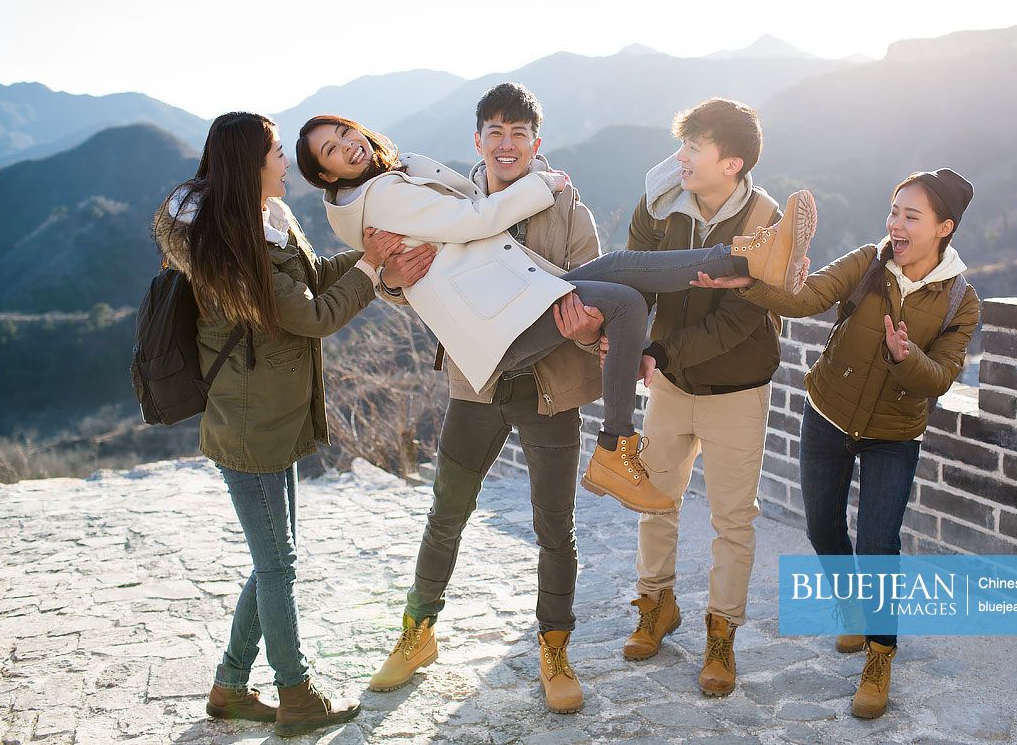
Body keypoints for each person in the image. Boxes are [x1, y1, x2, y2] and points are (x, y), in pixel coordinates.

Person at [294, 111, 816, 524]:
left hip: (511, 296)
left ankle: (616, 445)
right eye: (332, 150)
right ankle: (749, 262)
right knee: (624, 284)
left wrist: (387, 271)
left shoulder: (391, 178)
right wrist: (543, 186)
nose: (348, 145)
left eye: (345, 132)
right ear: (325, 173)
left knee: (624, 288)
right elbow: (474, 219)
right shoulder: (382, 195)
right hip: (499, 319)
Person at [352, 83, 605, 712]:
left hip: (549, 389)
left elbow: (594, 294)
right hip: (476, 385)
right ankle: (416, 634)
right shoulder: (450, 204)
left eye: (519, 132)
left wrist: (591, 323)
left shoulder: (568, 209)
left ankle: (554, 647)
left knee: (555, 527)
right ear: (477, 142)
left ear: (536, 144)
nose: (507, 143)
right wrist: (387, 279)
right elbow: (411, 280)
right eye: (495, 131)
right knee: (447, 513)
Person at [694, 168, 980, 720]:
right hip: (828, 413)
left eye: (910, 217)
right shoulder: (870, 262)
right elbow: (810, 296)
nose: (895, 225)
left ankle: (879, 654)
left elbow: (941, 378)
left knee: (878, 544)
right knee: (823, 524)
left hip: (894, 435)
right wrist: (748, 286)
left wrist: (906, 358)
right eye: (894, 211)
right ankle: (851, 607)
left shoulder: (960, 301)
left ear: (943, 228)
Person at [153, 112, 401, 738]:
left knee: (272, 562)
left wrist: (371, 257)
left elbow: (314, 279)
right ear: (250, 165)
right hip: (249, 427)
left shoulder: (265, 224)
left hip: (269, 417)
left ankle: (230, 687)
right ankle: (296, 695)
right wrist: (372, 271)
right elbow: (313, 316)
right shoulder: (236, 248)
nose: (285, 161)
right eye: (275, 153)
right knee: (278, 565)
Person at [619, 98, 806, 698]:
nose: (681, 159)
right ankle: (656, 605)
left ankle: (721, 633)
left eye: (695, 150)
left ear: (732, 164)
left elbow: (739, 320)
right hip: (670, 384)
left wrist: (660, 353)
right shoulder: (660, 202)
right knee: (655, 500)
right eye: (683, 146)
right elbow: (633, 279)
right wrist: (620, 340)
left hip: (736, 388)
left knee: (732, 519)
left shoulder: (766, 222)